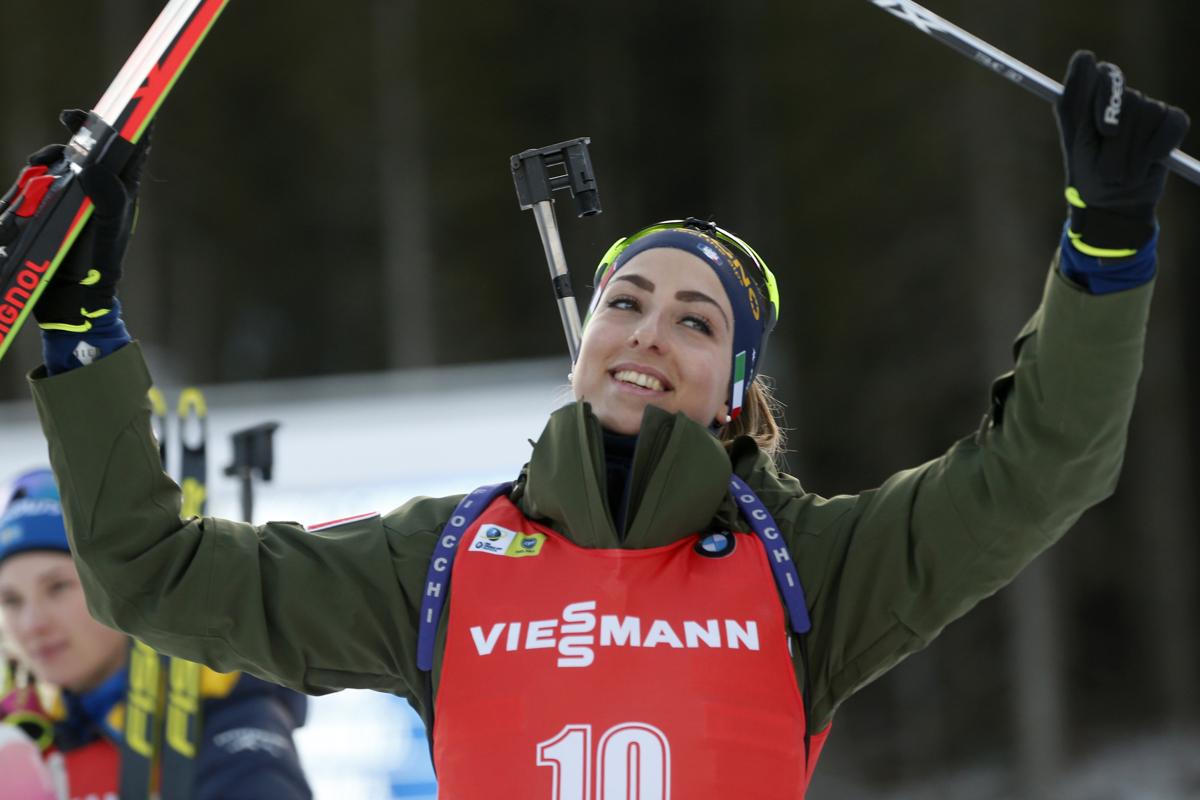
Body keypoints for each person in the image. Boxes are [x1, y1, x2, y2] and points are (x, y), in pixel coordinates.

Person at [16, 51, 1190, 798]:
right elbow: (149, 576)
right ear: (582, 343)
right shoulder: (441, 561)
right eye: (625, 301)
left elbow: (1042, 468)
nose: (647, 331)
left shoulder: (817, 570)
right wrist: (79, 330)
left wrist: (1104, 246)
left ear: (735, 390)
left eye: (696, 320)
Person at [0, 468, 314, 800]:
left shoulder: (220, 707)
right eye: (11, 600)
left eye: (58, 587)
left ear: (124, 587)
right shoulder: (23, 726)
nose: (32, 623)